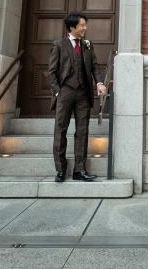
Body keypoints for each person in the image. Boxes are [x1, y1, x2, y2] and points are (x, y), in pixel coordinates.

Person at [48, 11, 107, 182]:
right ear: (72, 27)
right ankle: (60, 169)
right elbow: (51, 71)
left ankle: (79, 170)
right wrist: (58, 92)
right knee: (61, 130)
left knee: (82, 131)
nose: (85, 28)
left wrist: (99, 83)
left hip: (83, 93)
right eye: (82, 25)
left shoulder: (87, 45)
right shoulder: (59, 44)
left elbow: (95, 66)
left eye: (85, 25)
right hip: (65, 92)